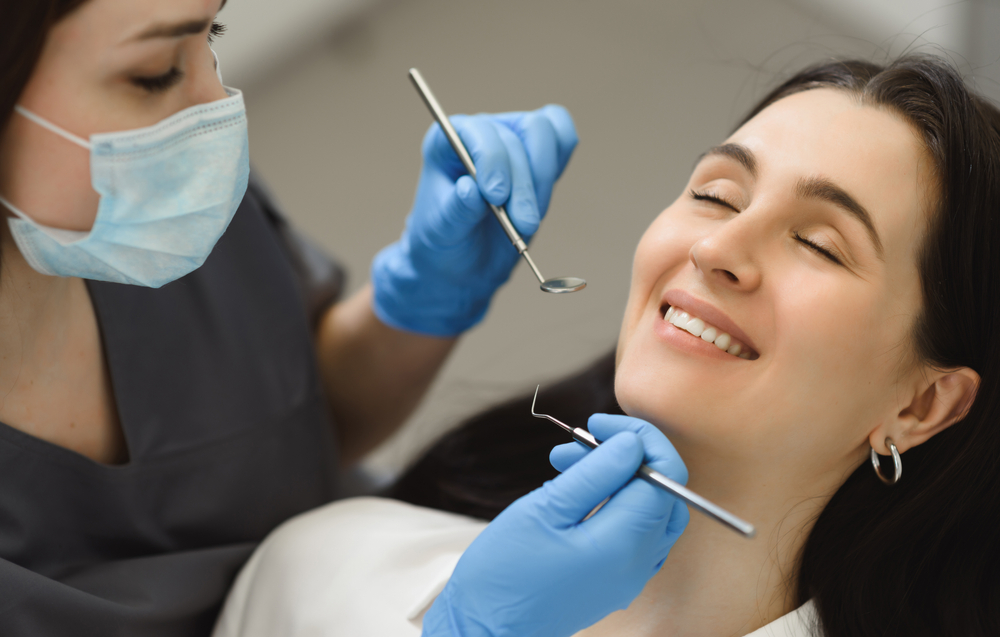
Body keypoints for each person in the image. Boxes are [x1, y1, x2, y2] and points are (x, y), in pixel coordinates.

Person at [212, 54, 1000, 637]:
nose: (719, 245)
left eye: (821, 244)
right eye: (715, 192)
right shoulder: (326, 568)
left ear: (922, 404)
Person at [0, 0, 690, 635]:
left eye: (211, 34)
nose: (215, 105)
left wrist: (416, 304)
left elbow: (291, 423)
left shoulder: (154, 203)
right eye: (153, 73)